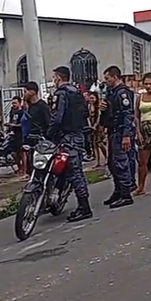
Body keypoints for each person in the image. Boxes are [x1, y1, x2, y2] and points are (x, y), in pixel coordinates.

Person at [47, 66, 93, 222]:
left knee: (75, 173)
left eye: (54, 77)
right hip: (78, 135)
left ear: (58, 78)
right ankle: (76, 203)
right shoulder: (77, 92)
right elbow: (86, 113)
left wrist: (49, 134)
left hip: (67, 137)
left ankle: (84, 207)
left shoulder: (61, 94)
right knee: (72, 171)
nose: (53, 80)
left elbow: (57, 118)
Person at [100, 66, 136, 208]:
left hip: (121, 132)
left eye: (107, 78)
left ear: (115, 77)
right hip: (112, 130)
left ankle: (126, 194)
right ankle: (118, 190)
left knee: (121, 163)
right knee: (112, 163)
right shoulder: (111, 92)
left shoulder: (122, 93)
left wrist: (126, 135)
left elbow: (128, 114)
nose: (105, 81)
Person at [87, 91, 108, 167]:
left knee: (100, 143)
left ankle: (106, 157)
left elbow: (99, 117)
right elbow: (88, 117)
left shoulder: (98, 107)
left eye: (93, 98)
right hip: (92, 126)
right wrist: (90, 125)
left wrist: (95, 126)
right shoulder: (89, 106)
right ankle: (97, 161)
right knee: (94, 144)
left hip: (99, 127)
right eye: (90, 98)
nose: (91, 99)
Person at [7, 96, 25, 174]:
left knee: (22, 153)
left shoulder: (22, 112)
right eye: (13, 103)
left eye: (15, 103)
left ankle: (24, 170)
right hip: (13, 135)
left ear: (20, 103)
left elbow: (23, 124)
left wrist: (14, 125)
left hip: (20, 134)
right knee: (14, 153)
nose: (13, 105)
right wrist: (9, 127)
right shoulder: (12, 112)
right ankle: (19, 168)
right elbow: (11, 121)